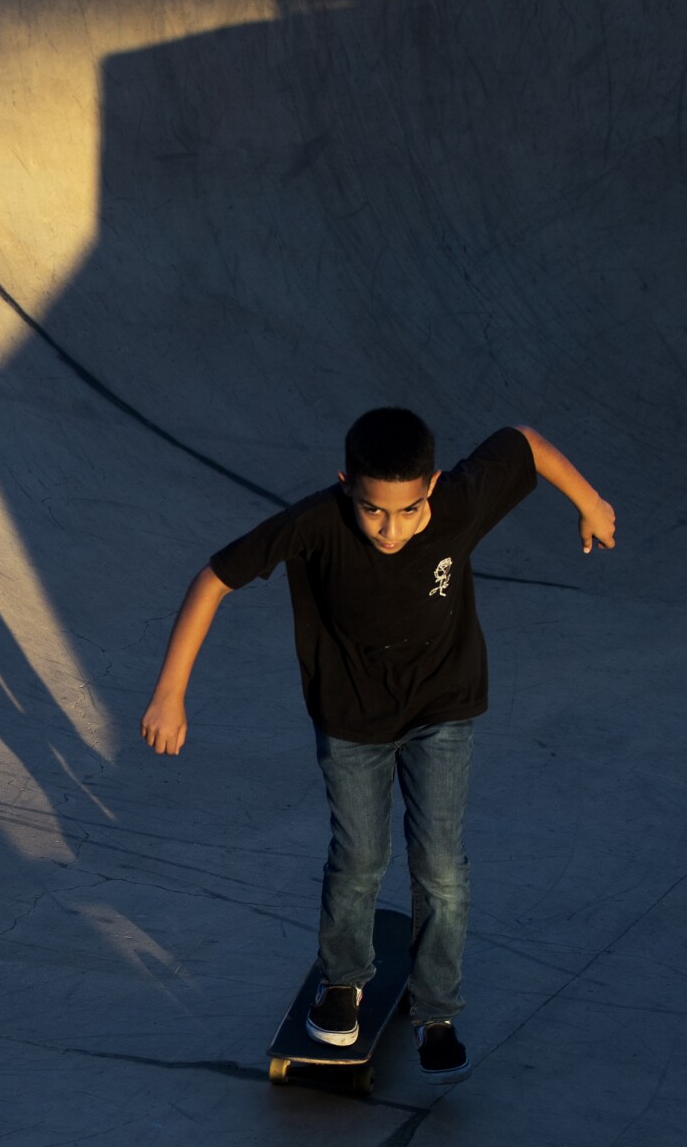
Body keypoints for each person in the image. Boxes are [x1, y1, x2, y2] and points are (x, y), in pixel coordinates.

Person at [139, 409, 615, 1084]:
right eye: (372, 512)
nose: (391, 529)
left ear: (435, 487)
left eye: (410, 511)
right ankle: (343, 981)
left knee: (441, 864)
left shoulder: (458, 503)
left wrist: (590, 502)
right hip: (351, 720)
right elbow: (216, 578)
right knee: (361, 854)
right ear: (344, 486)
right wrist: (170, 690)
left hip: (441, 709)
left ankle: (436, 1010)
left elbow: (527, 445)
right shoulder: (314, 524)